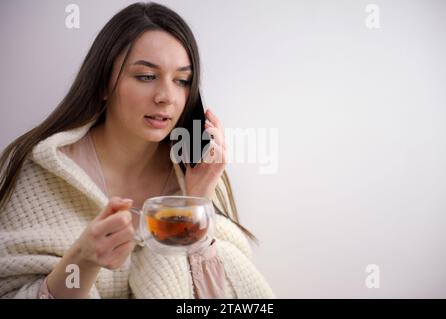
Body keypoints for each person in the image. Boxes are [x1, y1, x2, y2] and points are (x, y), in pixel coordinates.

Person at [0, 2, 274, 299]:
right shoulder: (39, 173)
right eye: (146, 76)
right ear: (104, 84)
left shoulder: (199, 170)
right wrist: (82, 259)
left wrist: (195, 204)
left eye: (182, 80)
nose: (166, 97)